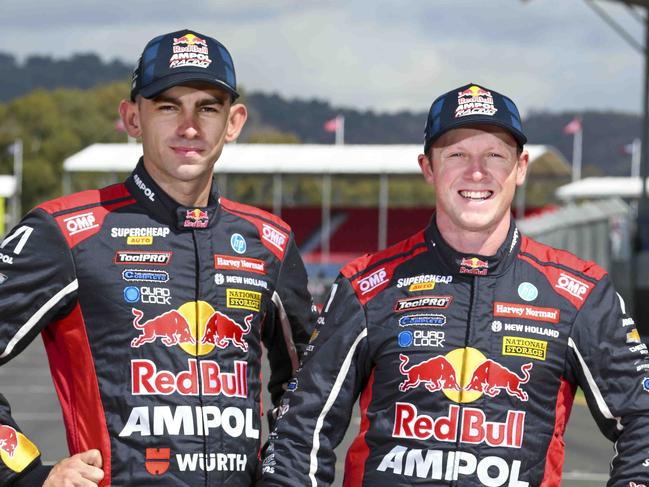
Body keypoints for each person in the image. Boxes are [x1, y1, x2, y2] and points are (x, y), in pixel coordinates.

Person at [261, 83, 649, 486]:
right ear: (428, 167)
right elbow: (300, 428)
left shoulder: (578, 293)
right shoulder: (367, 286)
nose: (476, 172)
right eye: (457, 154)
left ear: (520, 167)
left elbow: (642, 417)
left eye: (495, 155)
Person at [0, 29, 315, 486]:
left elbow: (309, 388)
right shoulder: (65, 232)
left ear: (233, 122)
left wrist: (281, 475)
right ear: (132, 118)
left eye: (207, 107)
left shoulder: (270, 241)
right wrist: (26, 474)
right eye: (168, 106)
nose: (189, 126)